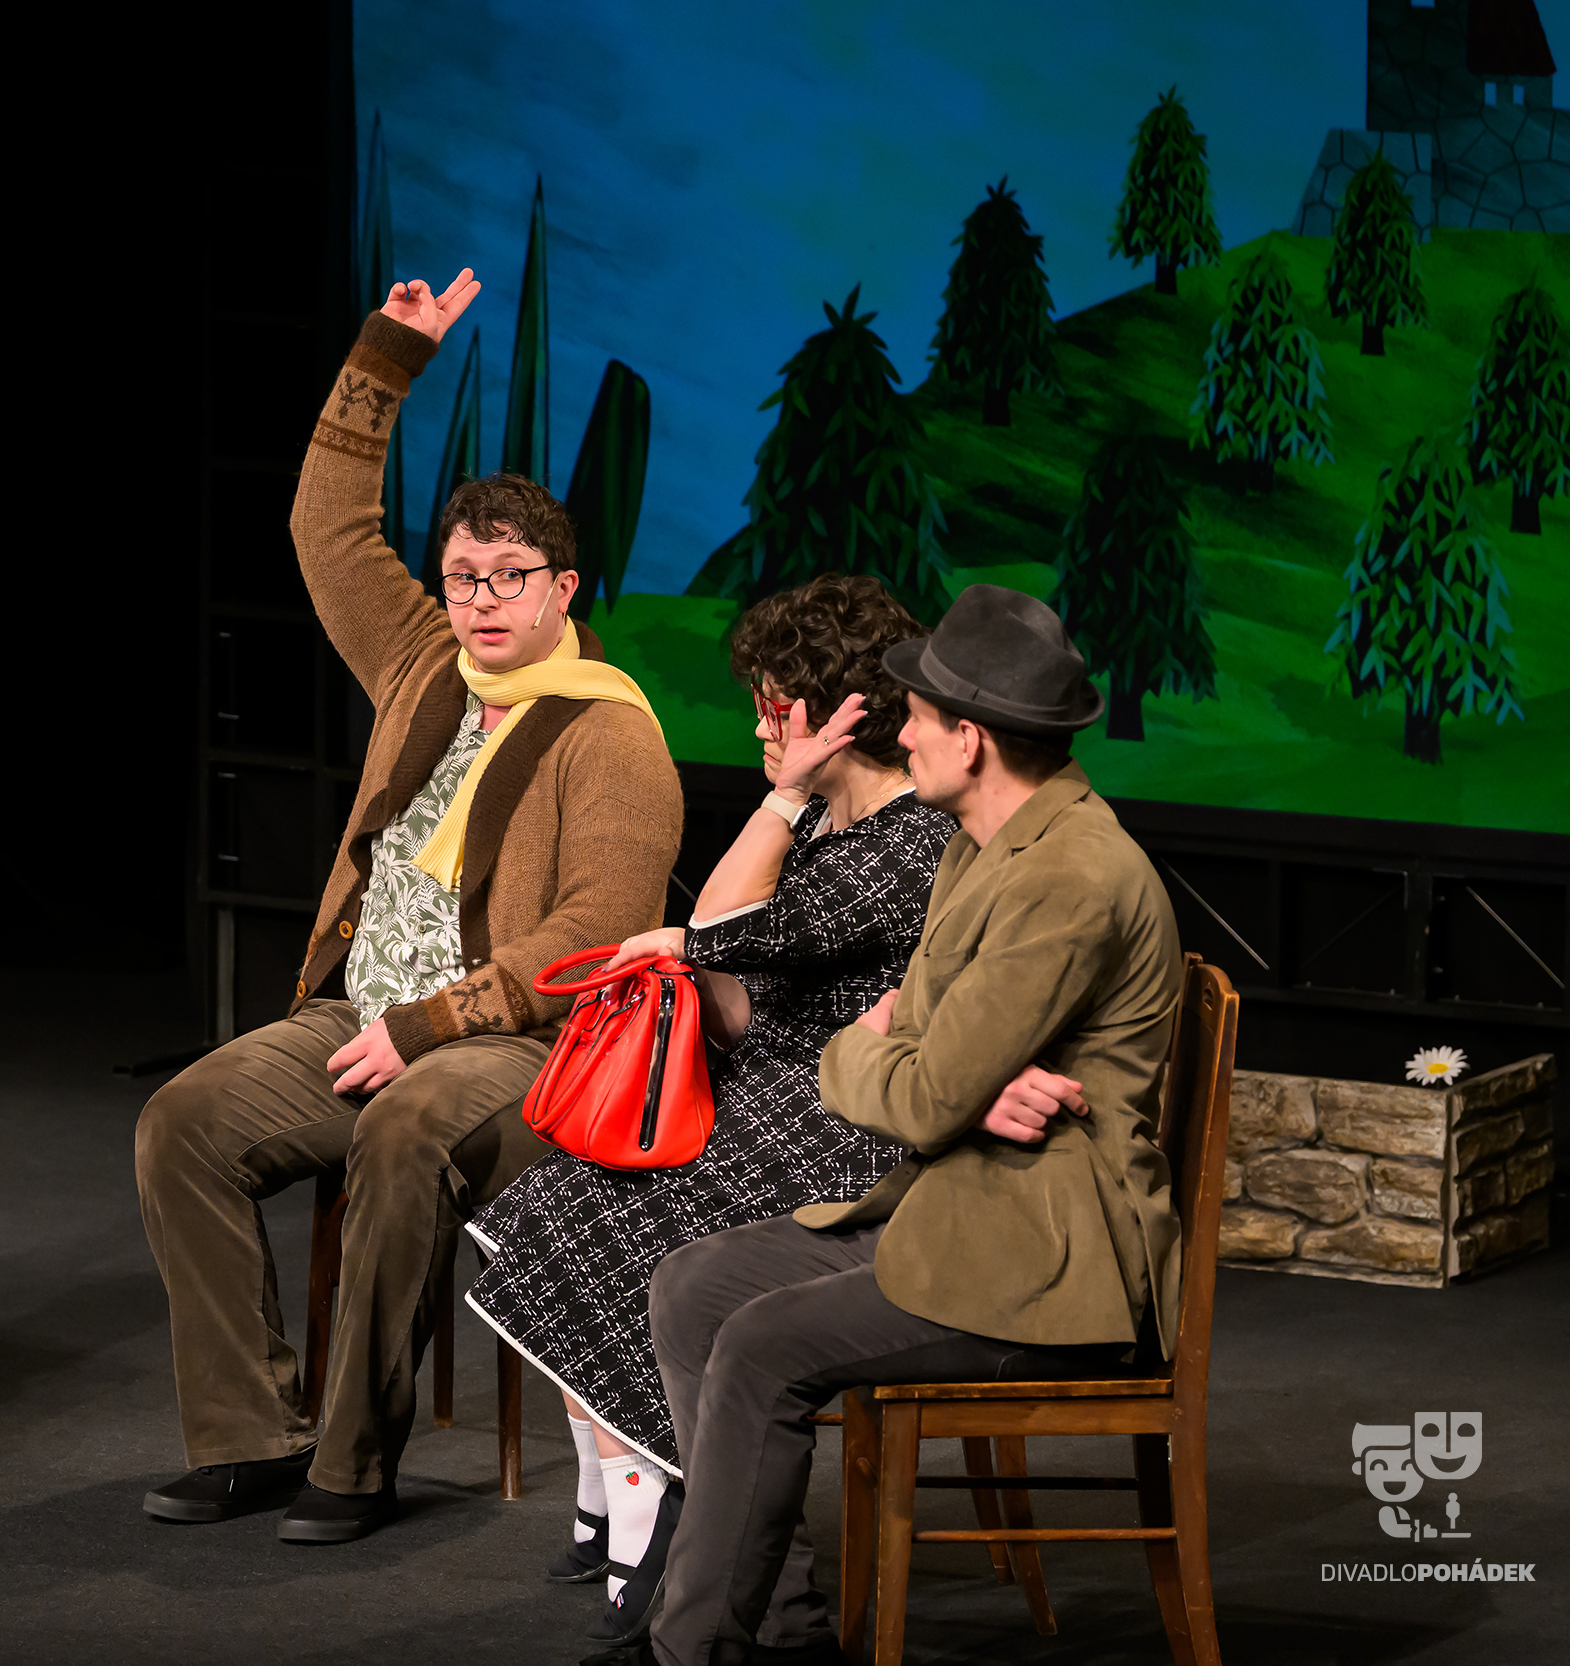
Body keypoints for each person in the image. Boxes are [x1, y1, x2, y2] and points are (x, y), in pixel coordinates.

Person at [134, 269, 683, 1544]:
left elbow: (592, 941)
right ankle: (249, 1438)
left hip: (515, 1047)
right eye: (461, 574)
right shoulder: (422, 664)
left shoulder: (612, 735)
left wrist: (430, 1026)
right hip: (360, 1014)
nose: (480, 598)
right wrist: (385, 357)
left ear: (563, 589)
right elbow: (325, 527)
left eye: (508, 575)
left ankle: (353, 1458)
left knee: (404, 1131)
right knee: (184, 1122)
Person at [636, 584, 1184, 1666]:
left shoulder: (1068, 875)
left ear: (970, 740)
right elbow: (929, 1062)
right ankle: (779, 1629)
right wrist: (929, 1065)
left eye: (920, 716)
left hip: (1046, 1254)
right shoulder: (982, 843)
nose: (904, 733)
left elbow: (916, 1078)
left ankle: (689, 1648)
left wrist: (872, 1050)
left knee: (760, 1347)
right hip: (965, 1196)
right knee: (693, 1287)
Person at [464, 574, 955, 1647]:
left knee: (607, 1219)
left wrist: (716, 902)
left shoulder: (911, 840)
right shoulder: (827, 817)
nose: (758, 725)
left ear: (837, 712)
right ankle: (639, 1501)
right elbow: (726, 949)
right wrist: (786, 799)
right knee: (556, 1197)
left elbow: (730, 935)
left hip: (844, 1129)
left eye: (774, 706)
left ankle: (662, 1523)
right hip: (771, 1098)